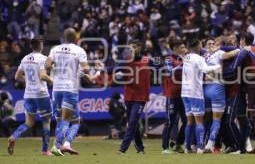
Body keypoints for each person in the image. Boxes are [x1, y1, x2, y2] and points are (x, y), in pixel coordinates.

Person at [45, 28, 103, 156]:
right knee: (71, 121)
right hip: (70, 89)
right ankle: (57, 145)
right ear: (76, 37)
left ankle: (66, 145)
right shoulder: (79, 51)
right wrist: (97, 69)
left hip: (56, 89)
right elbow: (87, 72)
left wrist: (55, 65)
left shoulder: (55, 49)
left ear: (63, 37)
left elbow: (47, 66)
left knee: (61, 121)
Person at [8, 37, 53, 156]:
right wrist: (53, 81)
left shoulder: (25, 58)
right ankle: (44, 150)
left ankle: (14, 136)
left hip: (28, 94)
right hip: (41, 94)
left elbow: (17, 77)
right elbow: (43, 76)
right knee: (46, 121)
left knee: (29, 122)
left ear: (32, 46)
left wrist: (27, 81)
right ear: (41, 46)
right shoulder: (43, 59)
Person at [181, 38, 221, 154]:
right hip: (195, 93)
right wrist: (217, 66)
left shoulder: (187, 57)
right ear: (198, 46)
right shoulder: (199, 59)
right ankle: (200, 147)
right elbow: (205, 69)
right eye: (201, 45)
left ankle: (187, 148)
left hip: (185, 92)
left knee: (189, 122)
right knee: (199, 121)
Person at [202, 36, 240, 153]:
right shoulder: (219, 53)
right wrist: (239, 49)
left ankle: (200, 145)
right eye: (212, 44)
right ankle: (210, 144)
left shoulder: (204, 56)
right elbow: (234, 52)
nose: (213, 46)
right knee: (217, 120)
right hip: (217, 87)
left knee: (206, 118)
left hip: (205, 88)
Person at [117, 39, 152, 154]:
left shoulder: (147, 60)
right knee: (134, 123)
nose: (133, 49)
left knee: (132, 123)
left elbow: (160, 62)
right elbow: (115, 69)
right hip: (129, 96)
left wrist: (166, 62)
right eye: (131, 47)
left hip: (141, 97)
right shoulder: (126, 61)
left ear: (140, 47)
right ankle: (140, 148)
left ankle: (122, 149)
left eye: (135, 47)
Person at [161, 39, 187, 154]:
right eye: (182, 47)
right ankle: (165, 148)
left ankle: (178, 144)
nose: (184, 49)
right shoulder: (168, 59)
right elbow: (169, 71)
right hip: (172, 94)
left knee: (187, 121)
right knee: (170, 121)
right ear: (175, 48)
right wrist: (183, 64)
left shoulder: (183, 59)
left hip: (184, 94)